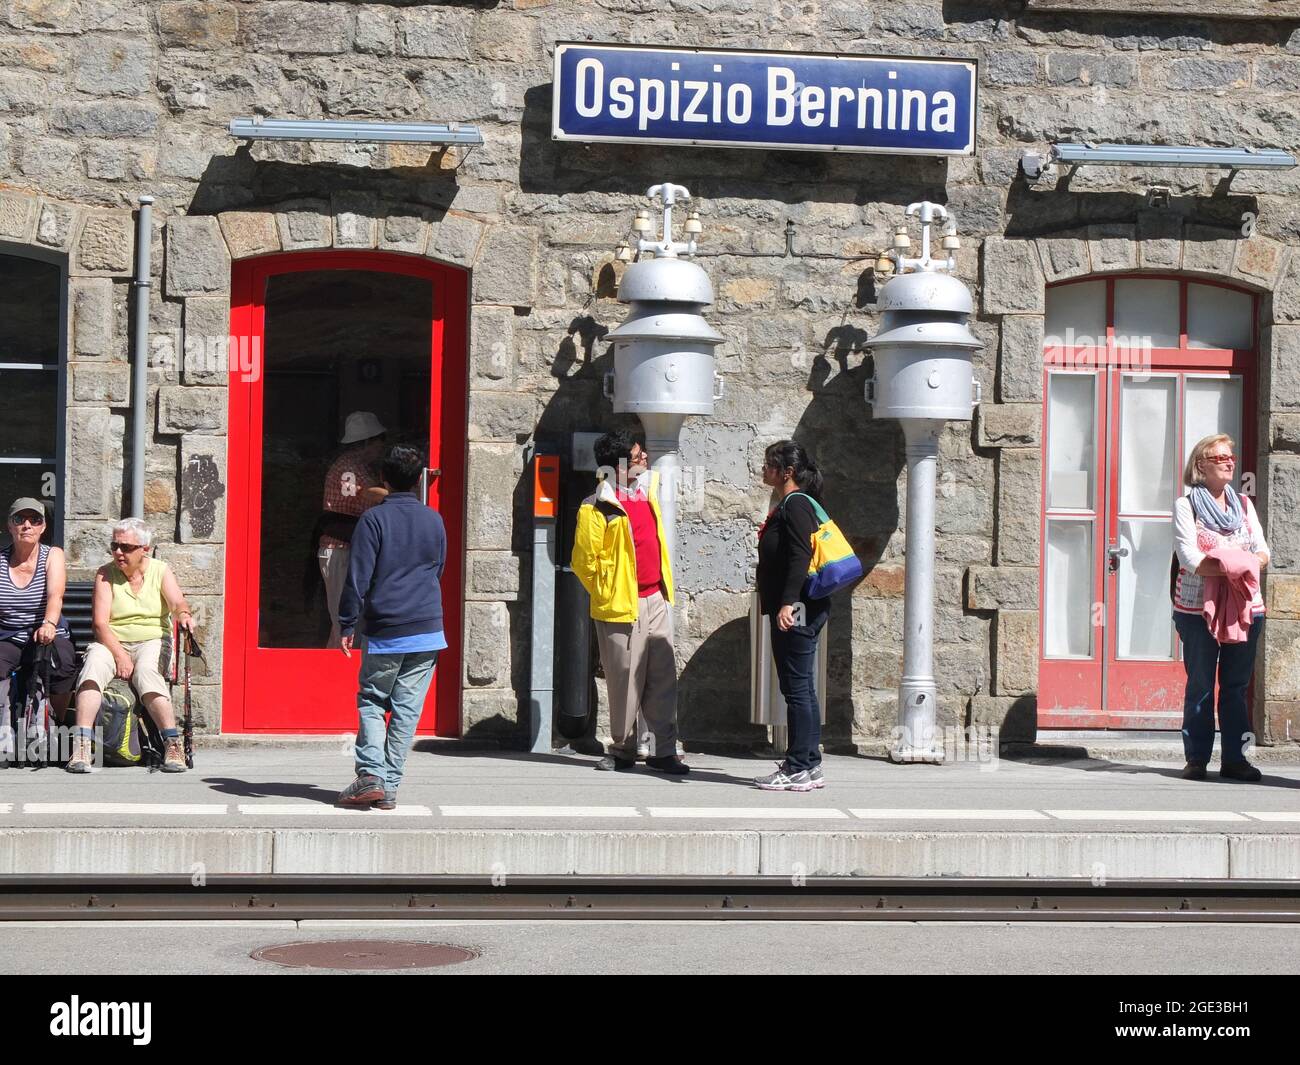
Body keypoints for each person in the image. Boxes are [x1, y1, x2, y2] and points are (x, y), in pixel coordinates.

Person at [335, 445, 447, 810]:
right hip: (428, 626)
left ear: (384, 479)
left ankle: (371, 775)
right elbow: (438, 569)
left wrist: (347, 621)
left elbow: (358, 577)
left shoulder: (373, 520)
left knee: (372, 699)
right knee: (407, 710)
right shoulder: (434, 519)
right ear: (419, 480)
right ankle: (391, 786)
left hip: (387, 627)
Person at [571, 429, 688, 774]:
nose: (645, 458)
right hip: (622, 604)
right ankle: (623, 749)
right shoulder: (596, 507)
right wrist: (609, 591)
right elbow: (584, 562)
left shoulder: (647, 490)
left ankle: (662, 750)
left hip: (654, 596)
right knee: (624, 680)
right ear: (619, 467)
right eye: (638, 456)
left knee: (662, 677)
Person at [1173, 434, 1269, 782]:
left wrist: (1233, 562)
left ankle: (1236, 760)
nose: (1230, 462)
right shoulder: (1187, 506)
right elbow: (1191, 559)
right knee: (1199, 683)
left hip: (1246, 609)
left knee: (1236, 685)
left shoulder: (1243, 505)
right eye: (1220, 457)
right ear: (1201, 465)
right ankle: (1196, 759)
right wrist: (1238, 564)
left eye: (1231, 456)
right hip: (1197, 610)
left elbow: (1263, 553)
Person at [66, 518, 196, 774]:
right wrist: (121, 656)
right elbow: (100, 624)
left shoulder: (160, 570)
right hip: (112, 640)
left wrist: (184, 615)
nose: (118, 552)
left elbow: (178, 602)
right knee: (92, 667)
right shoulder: (105, 573)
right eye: (114, 545)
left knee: (146, 672)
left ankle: (172, 744)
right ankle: (81, 745)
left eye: (125, 547)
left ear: (144, 549)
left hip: (152, 640)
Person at [754, 440, 830, 792]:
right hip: (799, 606)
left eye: (770, 464)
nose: (764, 469)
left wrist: (786, 603)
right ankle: (809, 763)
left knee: (796, 688)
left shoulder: (795, 505)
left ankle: (798, 765)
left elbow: (800, 556)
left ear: (787, 472)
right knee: (801, 688)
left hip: (796, 608)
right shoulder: (792, 503)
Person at [0, 498, 78, 729]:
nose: (27, 525)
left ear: (43, 527)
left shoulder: (52, 555)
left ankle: (57, 722)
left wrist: (49, 623)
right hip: (8, 634)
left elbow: (56, 595)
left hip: (45, 629)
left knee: (63, 665)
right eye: (19, 519)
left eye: (35, 520)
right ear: (9, 526)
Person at [318, 411, 389, 648]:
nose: (382, 446)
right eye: (381, 439)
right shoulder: (350, 469)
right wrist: (401, 497)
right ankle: (336, 672)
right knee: (345, 620)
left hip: (347, 548)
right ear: (368, 441)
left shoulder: (357, 467)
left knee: (348, 620)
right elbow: (368, 494)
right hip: (341, 548)